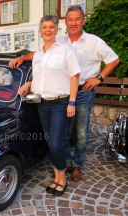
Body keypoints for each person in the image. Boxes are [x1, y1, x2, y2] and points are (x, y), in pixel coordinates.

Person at [9, 5, 119, 182]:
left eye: (77, 19)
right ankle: (65, 162)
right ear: (65, 22)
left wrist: (99, 77)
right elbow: (40, 54)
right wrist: (22, 58)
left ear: (83, 20)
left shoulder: (93, 41)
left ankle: (77, 165)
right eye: (70, 19)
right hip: (62, 92)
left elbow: (114, 60)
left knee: (81, 132)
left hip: (83, 90)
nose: (73, 23)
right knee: (64, 133)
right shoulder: (59, 39)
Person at [25, 14, 80, 196]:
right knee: (50, 142)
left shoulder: (65, 50)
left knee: (57, 143)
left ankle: (62, 179)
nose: (48, 30)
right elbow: (40, 79)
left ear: (56, 29)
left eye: (51, 26)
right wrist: (28, 84)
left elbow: (75, 76)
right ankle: (56, 176)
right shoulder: (38, 54)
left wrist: (71, 101)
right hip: (43, 104)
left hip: (60, 103)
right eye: (44, 27)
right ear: (40, 31)